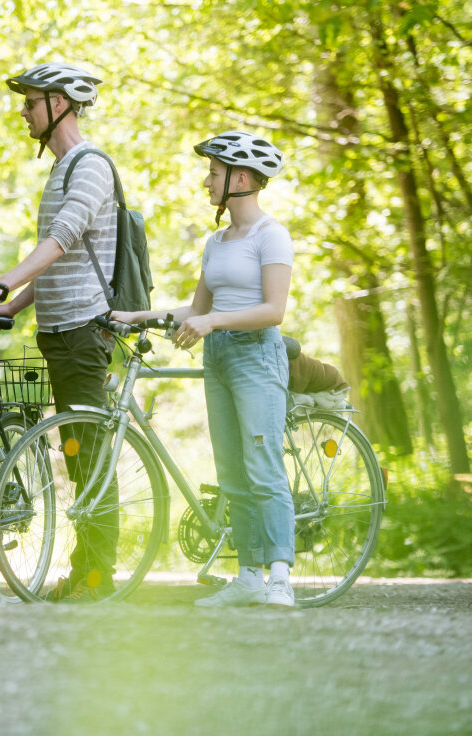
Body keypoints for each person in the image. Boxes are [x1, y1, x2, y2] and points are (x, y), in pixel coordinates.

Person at [114, 130, 296, 608]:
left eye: (213, 173)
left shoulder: (271, 234)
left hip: (256, 354)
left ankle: (281, 576)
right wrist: (135, 317)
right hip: (218, 358)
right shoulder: (217, 241)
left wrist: (212, 321)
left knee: (262, 466)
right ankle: (249, 576)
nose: (206, 181)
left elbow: (274, 310)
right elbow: (194, 308)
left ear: (240, 178)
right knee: (233, 470)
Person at [0, 62, 119, 601]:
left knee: (91, 457)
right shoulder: (61, 171)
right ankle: (88, 571)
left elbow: (61, 239)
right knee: (78, 457)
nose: (24, 111)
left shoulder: (90, 166)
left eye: (31, 102)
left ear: (61, 104)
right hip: (58, 330)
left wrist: (4, 283)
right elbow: (58, 262)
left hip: (83, 331)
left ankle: (97, 578)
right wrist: (18, 306)